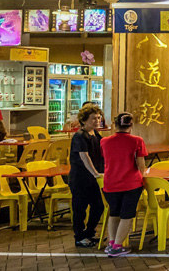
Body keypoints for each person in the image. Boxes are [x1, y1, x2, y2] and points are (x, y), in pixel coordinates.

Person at [100, 112, 147, 257]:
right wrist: (144, 176)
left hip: (110, 183)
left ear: (115, 124)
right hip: (130, 183)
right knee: (127, 215)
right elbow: (140, 164)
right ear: (131, 125)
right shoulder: (137, 141)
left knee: (114, 213)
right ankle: (118, 246)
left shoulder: (104, 141)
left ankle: (111, 242)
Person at [69, 104, 104, 248]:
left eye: (98, 118)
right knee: (80, 208)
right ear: (83, 120)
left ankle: (90, 232)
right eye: (93, 118)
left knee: (98, 206)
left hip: (93, 178)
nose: (97, 121)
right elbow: (84, 156)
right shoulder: (79, 136)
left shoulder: (95, 134)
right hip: (81, 177)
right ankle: (79, 236)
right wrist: (95, 173)